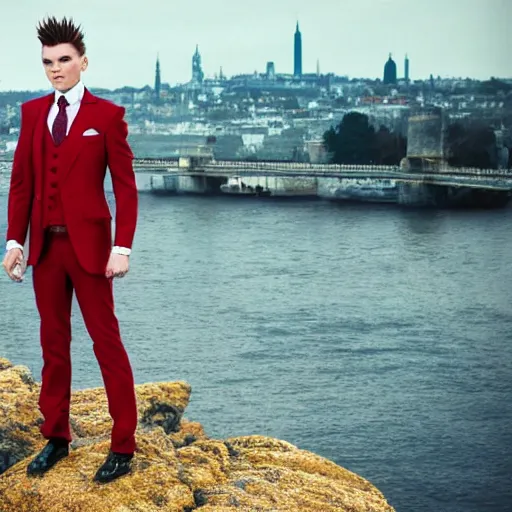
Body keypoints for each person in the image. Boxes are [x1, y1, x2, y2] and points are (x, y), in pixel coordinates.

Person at [2, 16, 139, 484]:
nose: (55, 69)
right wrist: (14, 241)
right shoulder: (32, 113)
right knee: (53, 345)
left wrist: (122, 247)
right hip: (46, 249)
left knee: (107, 344)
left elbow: (125, 188)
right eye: (47, 63)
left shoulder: (107, 116)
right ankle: (56, 437)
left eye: (63, 60)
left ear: (83, 62)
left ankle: (124, 444)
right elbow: (21, 183)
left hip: (93, 251)